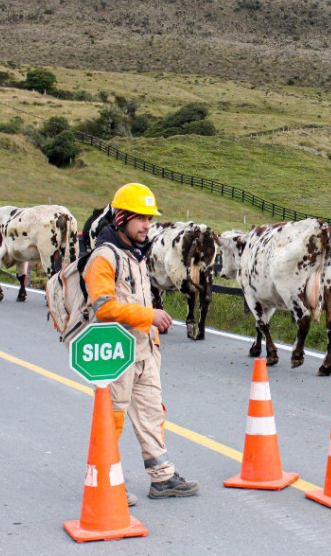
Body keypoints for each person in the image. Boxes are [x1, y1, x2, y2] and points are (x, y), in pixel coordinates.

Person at [83, 182, 200, 505]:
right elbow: (103, 307)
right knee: (113, 416)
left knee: (151, 414)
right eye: (140, 218)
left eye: (149, 218)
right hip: (116, 354)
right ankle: (105, 480)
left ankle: (162, 478)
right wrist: (148, 315)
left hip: (145, 351)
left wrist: (150, 327)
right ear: (121, 218)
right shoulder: (104, 258)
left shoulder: (136, 254)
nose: (147, 225)